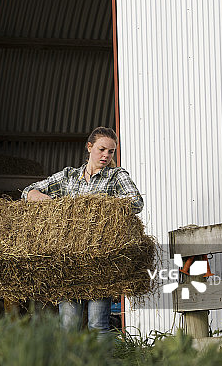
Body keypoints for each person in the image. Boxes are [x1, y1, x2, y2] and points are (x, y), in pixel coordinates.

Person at [21, 126, 144, 332]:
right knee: (68, 325)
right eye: (101, 149)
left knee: (98, 324)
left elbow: (136, 202)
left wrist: (100, 208)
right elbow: (27, 191)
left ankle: (99, 365)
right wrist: (40, 197)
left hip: (100, 259)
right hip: (69, 260)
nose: (106, 155)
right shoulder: (69, 176)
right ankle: (70, 364)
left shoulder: (115, 176)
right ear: (89, 147)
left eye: (111, 151)